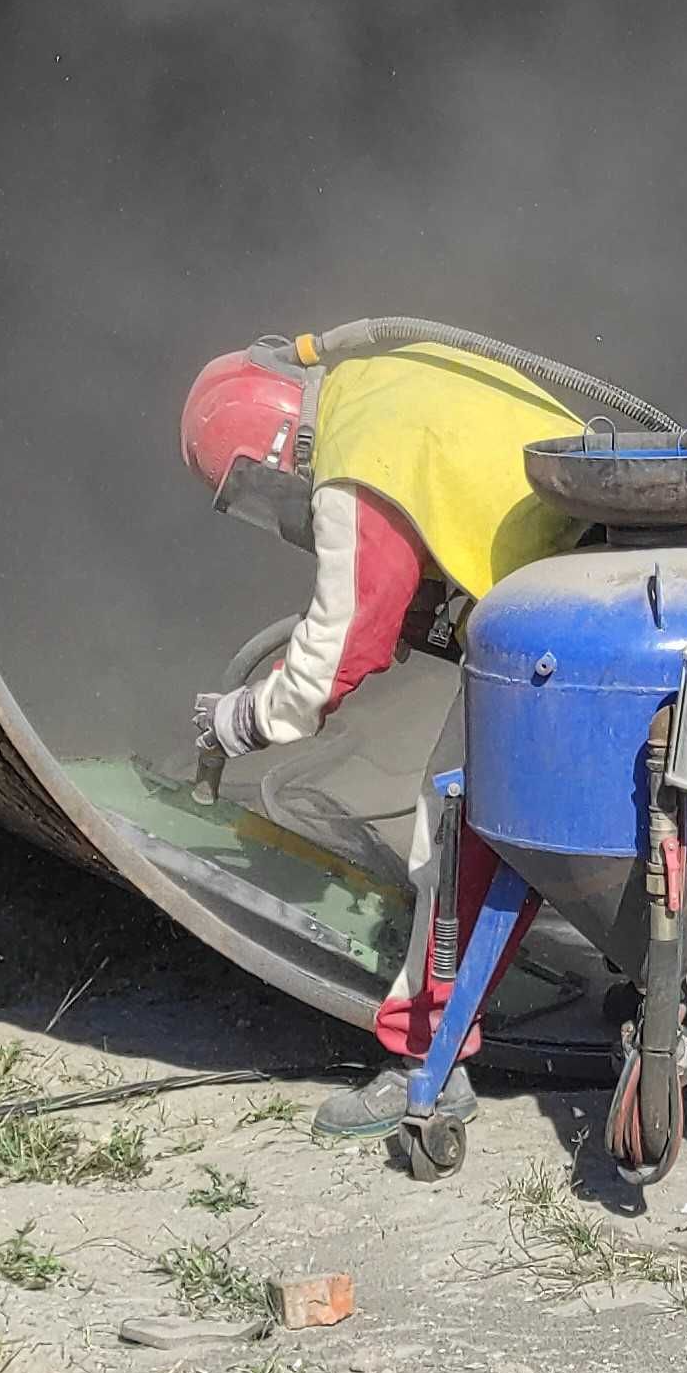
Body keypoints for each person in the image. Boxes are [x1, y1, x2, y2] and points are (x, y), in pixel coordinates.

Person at [179, 328, 586, 1135]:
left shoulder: (352, 468)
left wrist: (240, 718)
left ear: (265, 449)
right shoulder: (382, 382)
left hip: (560, 629)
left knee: (457, 831)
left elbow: (336, 654)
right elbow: (468, 489)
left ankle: (427, 1061)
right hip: (601, 579)